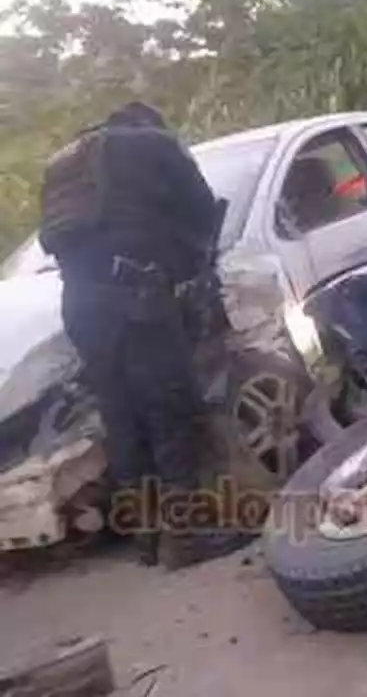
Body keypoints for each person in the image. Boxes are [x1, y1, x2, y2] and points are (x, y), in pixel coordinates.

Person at [37, 101, 234, 568]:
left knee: (122, 419)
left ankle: (147, 539)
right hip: (137, 297)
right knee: (170, 411)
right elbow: (203, 215)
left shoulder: (66, 162)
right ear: (150, 123)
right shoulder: (155, 145)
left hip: (79, 304)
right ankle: (186, 539)